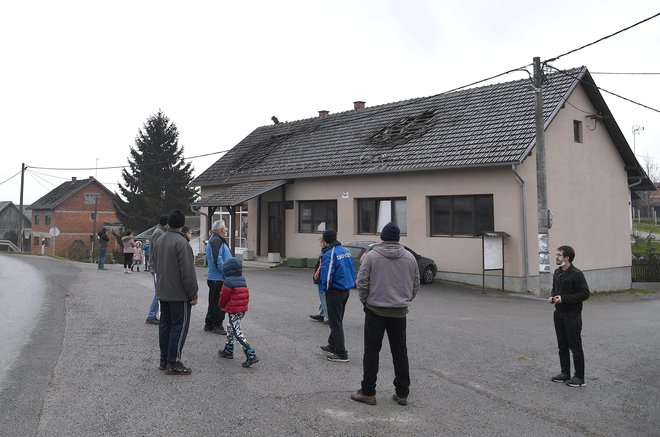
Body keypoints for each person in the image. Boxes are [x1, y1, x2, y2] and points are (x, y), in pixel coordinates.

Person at [350, 222, 419, 406]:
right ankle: (402, 392)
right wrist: (405, 300)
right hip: (399, 312)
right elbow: (415, 284)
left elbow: (362, 282)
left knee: (371, 352)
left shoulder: (372, 256)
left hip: (375, 310)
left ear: (382, 237)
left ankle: (368, 391)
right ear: (398, 238)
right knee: (400, 352)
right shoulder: (410, 257)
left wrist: (366, 302)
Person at [151, 209, 199, 375]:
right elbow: (187, 271)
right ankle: (174, 362)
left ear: (169, 223)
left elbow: (154, 263)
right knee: (179, 326)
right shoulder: (182, 242)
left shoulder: (160, 239)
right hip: (179, 294)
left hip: (163, 290)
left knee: (165, 325)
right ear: (182, 224)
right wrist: (193, 293)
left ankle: (164, 360)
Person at [548, 245, 590, 388]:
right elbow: (556, 289)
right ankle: (565, 373)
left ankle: (579, 378)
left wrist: (564, 299)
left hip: (572, 315)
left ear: (567, 257)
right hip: (558, 314)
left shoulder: (576, 274)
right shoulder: (557, 272)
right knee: (562, 345)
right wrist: (553, 297)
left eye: (559, 254)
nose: (556, 256)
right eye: (557, 254)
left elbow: (585, 294)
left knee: (575, 346)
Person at [318, 229, 356, 363]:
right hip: (345, 290)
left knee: (335, 323)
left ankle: (341, 353)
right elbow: (352, 269)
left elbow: (327, 275)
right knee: (338, 319)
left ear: (326, 240)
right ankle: (332, 344)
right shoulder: (345, 251)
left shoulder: (330, 253)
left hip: (334, 291)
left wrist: (323, 289)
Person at [217, 257, 259, 367]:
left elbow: (223, 296)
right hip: (241, 310)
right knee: (230, 327)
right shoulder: (242, 279)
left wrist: (221, 306)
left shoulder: (228, 281)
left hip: (233, 310)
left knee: (236, 331)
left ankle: (250, 353)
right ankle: (228, 349)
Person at [205, 220, 232, 335]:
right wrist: (227, 272)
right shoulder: (216, 241)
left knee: (213, 301)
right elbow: (217, 260)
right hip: (218, 278)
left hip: (215, 277)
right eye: (225, 227)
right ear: (221, 229)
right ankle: (217, 324)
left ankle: (209, 323)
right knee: (219, 302)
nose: (226, 229)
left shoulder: (215, 239)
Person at [145, 214, 168, 325]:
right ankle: (151, 315)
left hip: (157, 266)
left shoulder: (160, 231)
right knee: (159, 291)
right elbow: (158, 251)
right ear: (166, 223)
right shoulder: (159, 233)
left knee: (159, 291)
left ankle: (152, 315)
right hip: (157, 267)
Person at [309, 236, 329, 323]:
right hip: (322, 279)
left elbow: (321, 267)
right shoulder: (327, 251)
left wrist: (316, 277)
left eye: (321, 243)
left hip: (322, 279)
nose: (320, 245)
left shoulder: (325, 252)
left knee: (324, 298)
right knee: (323, 298)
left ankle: (328, 317)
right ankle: (321, 314)